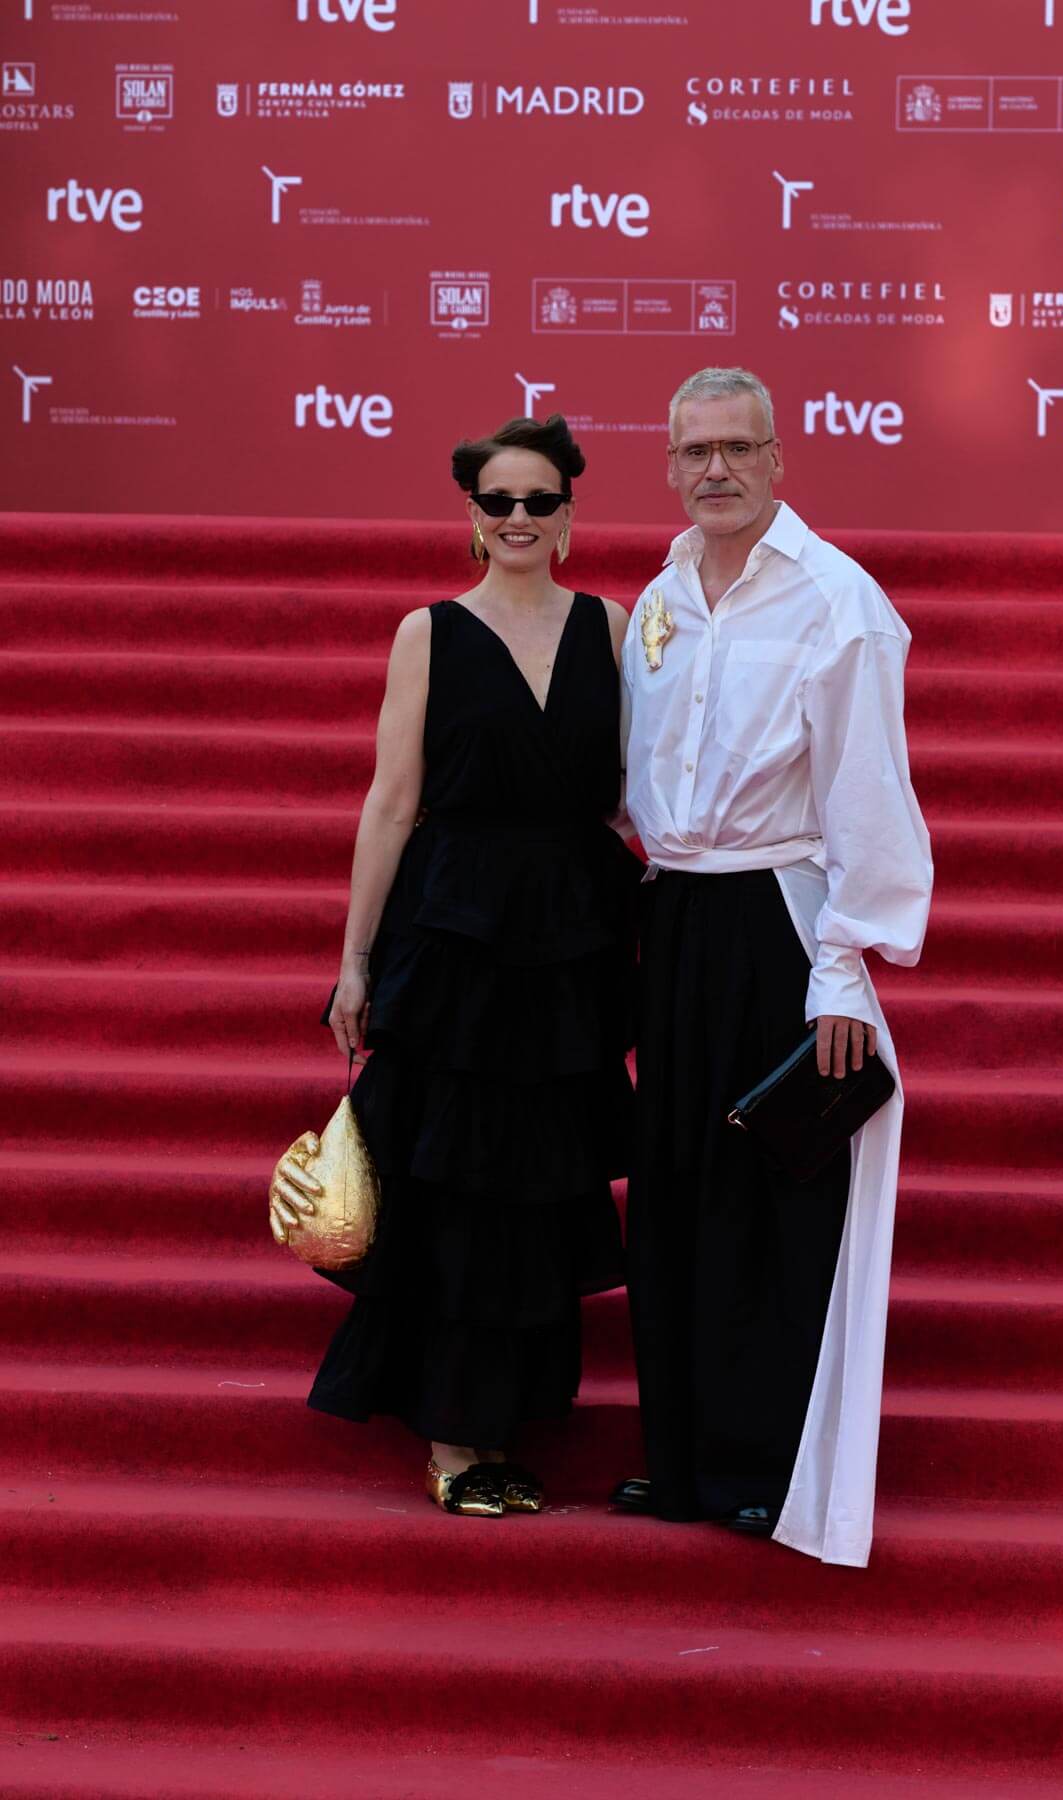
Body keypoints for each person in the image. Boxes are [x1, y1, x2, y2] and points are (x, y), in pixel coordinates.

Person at [268, 415, 640, 1517]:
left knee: (538, 1186)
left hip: (569, 938)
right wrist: (354, 961)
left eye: (539, 500)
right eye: (498, 501)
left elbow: (641, 790)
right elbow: (391, 802)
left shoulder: (613, 626)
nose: (518, 518)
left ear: (568, 514)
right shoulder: (427, 633)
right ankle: (451, 1434)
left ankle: (505, 1420)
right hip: (457, 937)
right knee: (456, 1188)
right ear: (471, 516)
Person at [613, 366, 933, 1566]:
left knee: (774, 1195)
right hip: (674, 920)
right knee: (674, 1189)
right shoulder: (660, 598)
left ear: (778, 459)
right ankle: (684, 1458)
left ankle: (767, 1468)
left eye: (738, 449)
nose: (717, 471)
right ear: (669, 465)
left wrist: (843, 964)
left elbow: (867, 787)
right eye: (696, 451)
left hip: (781, 921)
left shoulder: (836, 599)